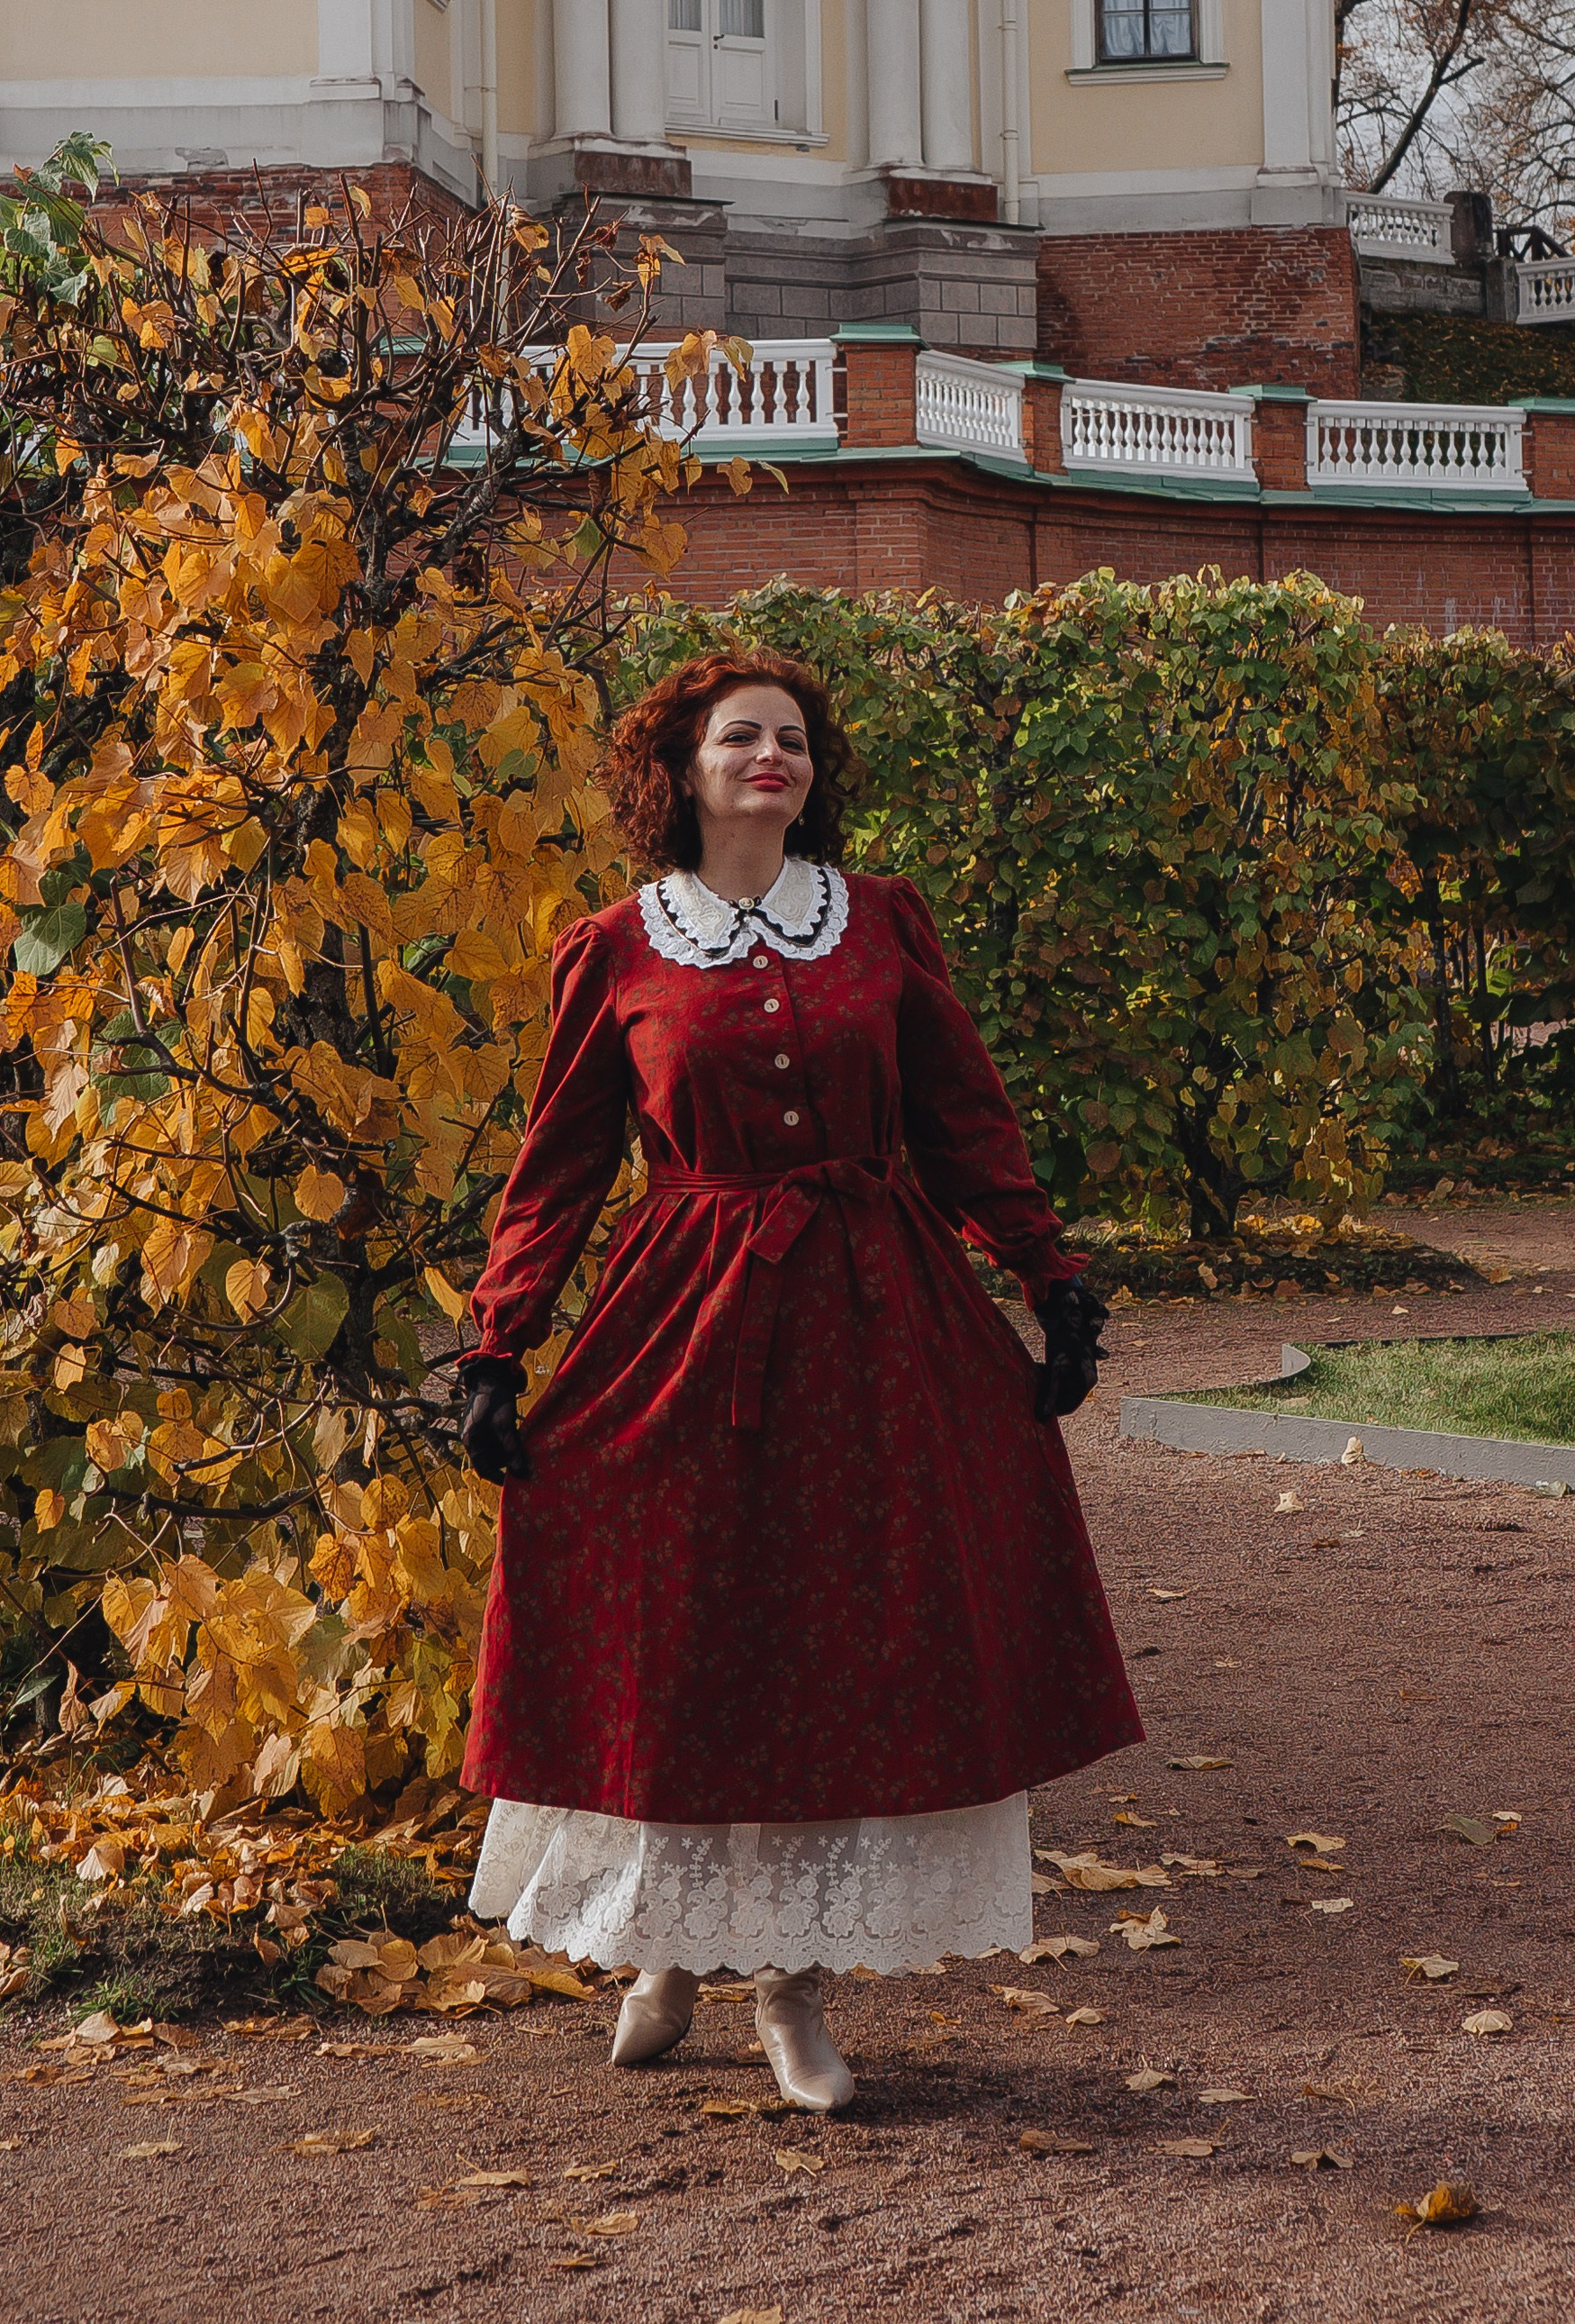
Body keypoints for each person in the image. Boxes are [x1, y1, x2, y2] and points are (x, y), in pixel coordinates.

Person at [453, 649, 1143, 2111]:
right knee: (689, 1632)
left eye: (793, 740)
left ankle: (788, 1990)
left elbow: (964, 1119)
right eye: (740, 737)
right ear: (682, 769)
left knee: (836, 1640)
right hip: (683, 1325)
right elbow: (562, 1167)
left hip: (876, 1316)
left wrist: (1047, 1272)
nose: (772, 758)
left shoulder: (879, 923)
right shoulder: (619, 947)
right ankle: (666, 1952)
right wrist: (499, 1341)